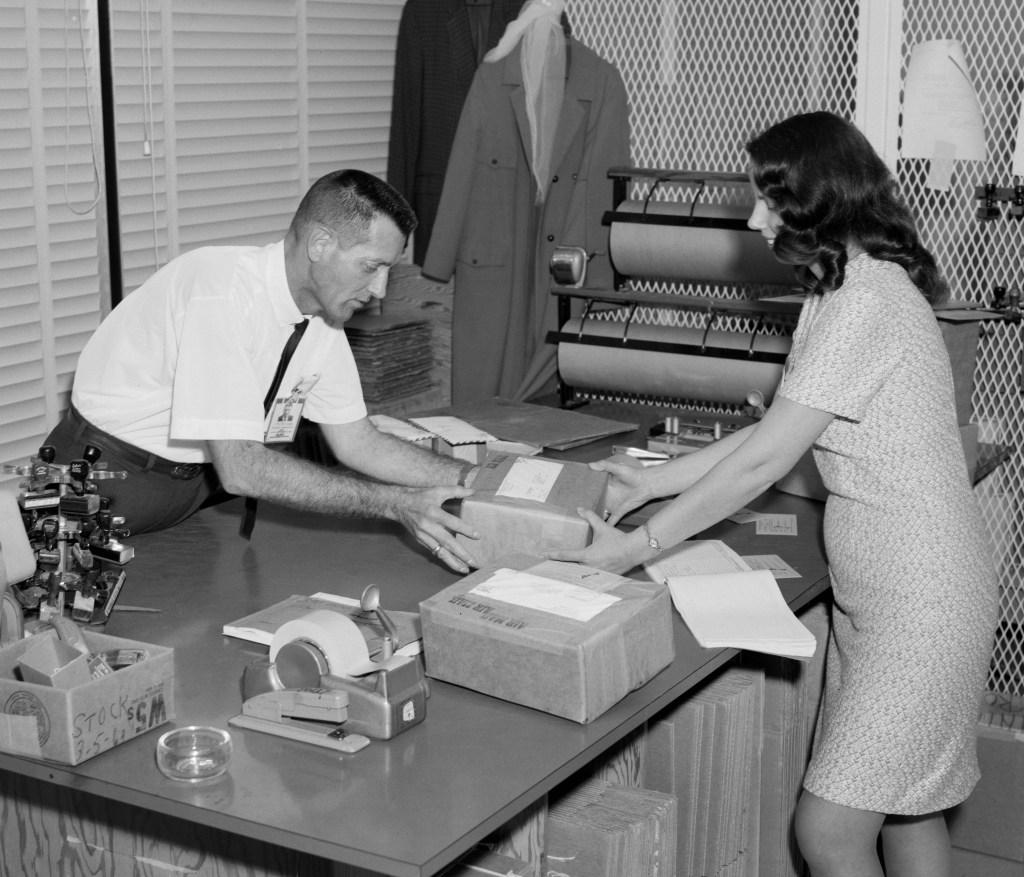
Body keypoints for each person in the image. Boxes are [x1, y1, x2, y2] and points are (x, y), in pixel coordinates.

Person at [549, 111, 998, 877]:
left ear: (818, 200)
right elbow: (770, 432)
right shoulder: (843, 289)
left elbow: (765, 463)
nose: (754, 218)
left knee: (827, 829)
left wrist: (639, 544)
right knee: (905, 810)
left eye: (768, 199)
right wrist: (651, 482)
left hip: (922, 605)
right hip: (894, 599)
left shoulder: (865, 301)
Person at [44, 169, 480, 573]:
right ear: (321, 244)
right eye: (371, 266)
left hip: (191, 488)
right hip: (106, 480)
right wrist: (398, 504)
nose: (380, 289)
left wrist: (474, 478)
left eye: (388, 270)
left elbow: (358, 441)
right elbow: (243, 468)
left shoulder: (323, 317)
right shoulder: (220, 292)